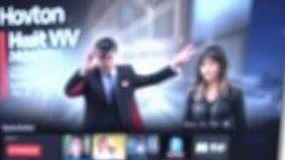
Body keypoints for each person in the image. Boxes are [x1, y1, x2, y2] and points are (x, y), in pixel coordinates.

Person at [64, 36, 196, 131]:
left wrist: (174, 65)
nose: (106, 62)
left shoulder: (126, 72)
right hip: (96, 134)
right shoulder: (89, 75)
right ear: (96, 58)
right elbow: (69, 92)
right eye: (101, 58)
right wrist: (83, 69)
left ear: (116, 56)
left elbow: (151, 79)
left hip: (124, 132)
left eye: (109, 57)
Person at [183, 44, 246, 131]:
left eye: (211, 64)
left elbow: (242, 129)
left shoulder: (236, 94)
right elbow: (185, 125)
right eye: (203, 64)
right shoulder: (192, 93)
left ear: (222, 66)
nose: (206, 69)